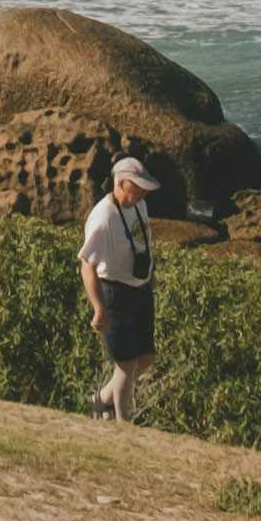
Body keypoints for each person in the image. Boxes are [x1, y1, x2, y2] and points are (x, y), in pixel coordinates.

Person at [74, 157, 159, 420]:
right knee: (126, 364)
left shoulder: (139, 204)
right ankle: (124, 424)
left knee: (146, 357)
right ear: (122, 183)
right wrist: (99, 308)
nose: (144, 192)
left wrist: (150, 273)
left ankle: (101, 400)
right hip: (115, 293)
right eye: (139, 186)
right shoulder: (103, 218)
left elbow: (142, 242)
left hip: (139, 288)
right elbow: (86, 265)